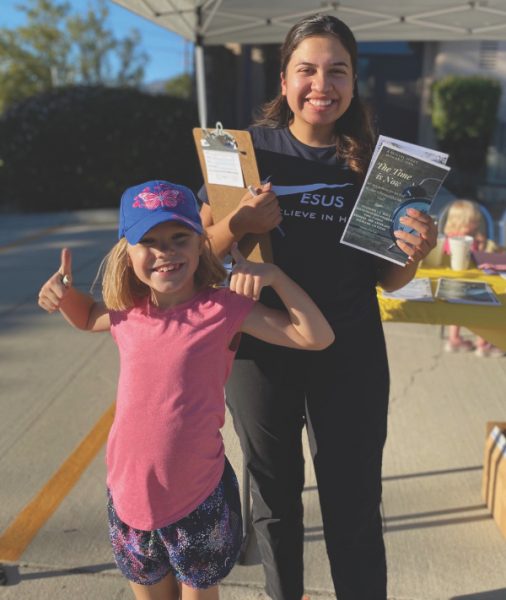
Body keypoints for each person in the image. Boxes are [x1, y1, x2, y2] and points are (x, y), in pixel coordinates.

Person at [199, 14, 438, 600]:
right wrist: (240, 222)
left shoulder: (380, 166)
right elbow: (201, 255)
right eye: (306, 70)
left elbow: (387, 277)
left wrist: (415, 254)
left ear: (354, 84)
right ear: (284, 81)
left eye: (337, 71)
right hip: (262, 348)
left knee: (353, 501)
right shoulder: (244, 154)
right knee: (275, 501)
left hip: (350, 348)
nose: (321, 84)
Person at [37, 180, 335, 600]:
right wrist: (63, 295)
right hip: (129, 497)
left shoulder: (223, 308)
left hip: (197, 496)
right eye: (150, 241)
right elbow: (87, 317)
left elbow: (314, 336)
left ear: (201, 245)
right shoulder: (127, 311)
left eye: (180, 238)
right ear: (128, 252)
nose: (165, 252)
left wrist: (274, 277)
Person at [443, 199, 503, 357]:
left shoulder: (450, 237)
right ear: (461, 222)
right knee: (482, 309)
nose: (477, 225)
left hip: (456, 281)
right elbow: (476, 257)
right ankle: (483, 343)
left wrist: (481, 243)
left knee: (457, 311)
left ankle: (453, 339)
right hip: (468, 281)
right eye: (473, 222)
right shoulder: (461, 240)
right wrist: (479, 245)